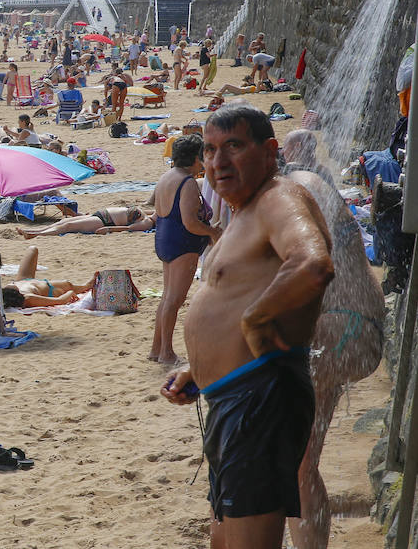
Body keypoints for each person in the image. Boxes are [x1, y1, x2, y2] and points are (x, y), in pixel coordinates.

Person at [161, 103, 334, 549]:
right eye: (211, 149)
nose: (218, 162)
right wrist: (197, 370)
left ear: (270, 151)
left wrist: (256, 318)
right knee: (223, 539)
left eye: (234, 146)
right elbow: (234, 292)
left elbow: (313, 264)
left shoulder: (279, 198)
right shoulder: (244, 212)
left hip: (261, 400)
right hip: (234, 400)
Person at [283, 167, 384, 549]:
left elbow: (306, 273)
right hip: (356, 328)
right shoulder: (314, 187)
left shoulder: (292, 192)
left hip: (337, 330)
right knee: (304, 462)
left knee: (293, 462)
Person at [152, 134, 220, 363]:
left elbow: (156, 212)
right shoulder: (187, 182)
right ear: (194, 158)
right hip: (182, 242)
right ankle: (166, 353)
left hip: (165, 238)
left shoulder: (167, 177)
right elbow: (190, 222)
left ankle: (156, 349)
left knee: (167, 298)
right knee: (174, 300)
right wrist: (212, 233)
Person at [1, 245, 94, 308]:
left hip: (23, 279)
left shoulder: (3, 295)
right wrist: (70, 293)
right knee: (67, 284)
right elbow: (59, 300)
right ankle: (86, 286)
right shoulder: (28, 298)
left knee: (32, 249)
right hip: (47, 289)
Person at [16, 205, 148, 239]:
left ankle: (37, 234)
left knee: (68, 226)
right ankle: (35, 231)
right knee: (64, 220)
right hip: (100, 213)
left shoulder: (147, 223)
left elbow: (128, 228)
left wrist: (108, 229)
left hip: (105, 221)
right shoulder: (148, 213)